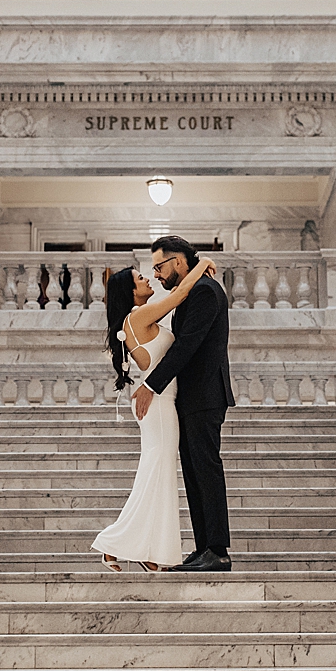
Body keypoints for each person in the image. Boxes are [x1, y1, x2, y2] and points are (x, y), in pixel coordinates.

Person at [93, 252, 220, 573]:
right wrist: (202, 264)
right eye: (139, 279)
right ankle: (114, 542)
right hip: (159, 407)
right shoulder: (138, 317)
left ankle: (147, 550)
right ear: (130, 292)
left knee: (157, 474)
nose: (147, 279)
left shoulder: (140, 318)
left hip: (162, 405)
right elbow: (179, 294)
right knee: (156, 474)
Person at [134, 235, 235, 573]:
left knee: (206, 469)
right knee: (193, 473)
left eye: (159, 267)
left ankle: (218, 550)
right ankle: (204, 546)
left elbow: (188, 345)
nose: (157, 275)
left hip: (205, 395)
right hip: (192, 397)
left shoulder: (205, 292)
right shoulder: (193, 290)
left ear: (178, 262)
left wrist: (151, 384)